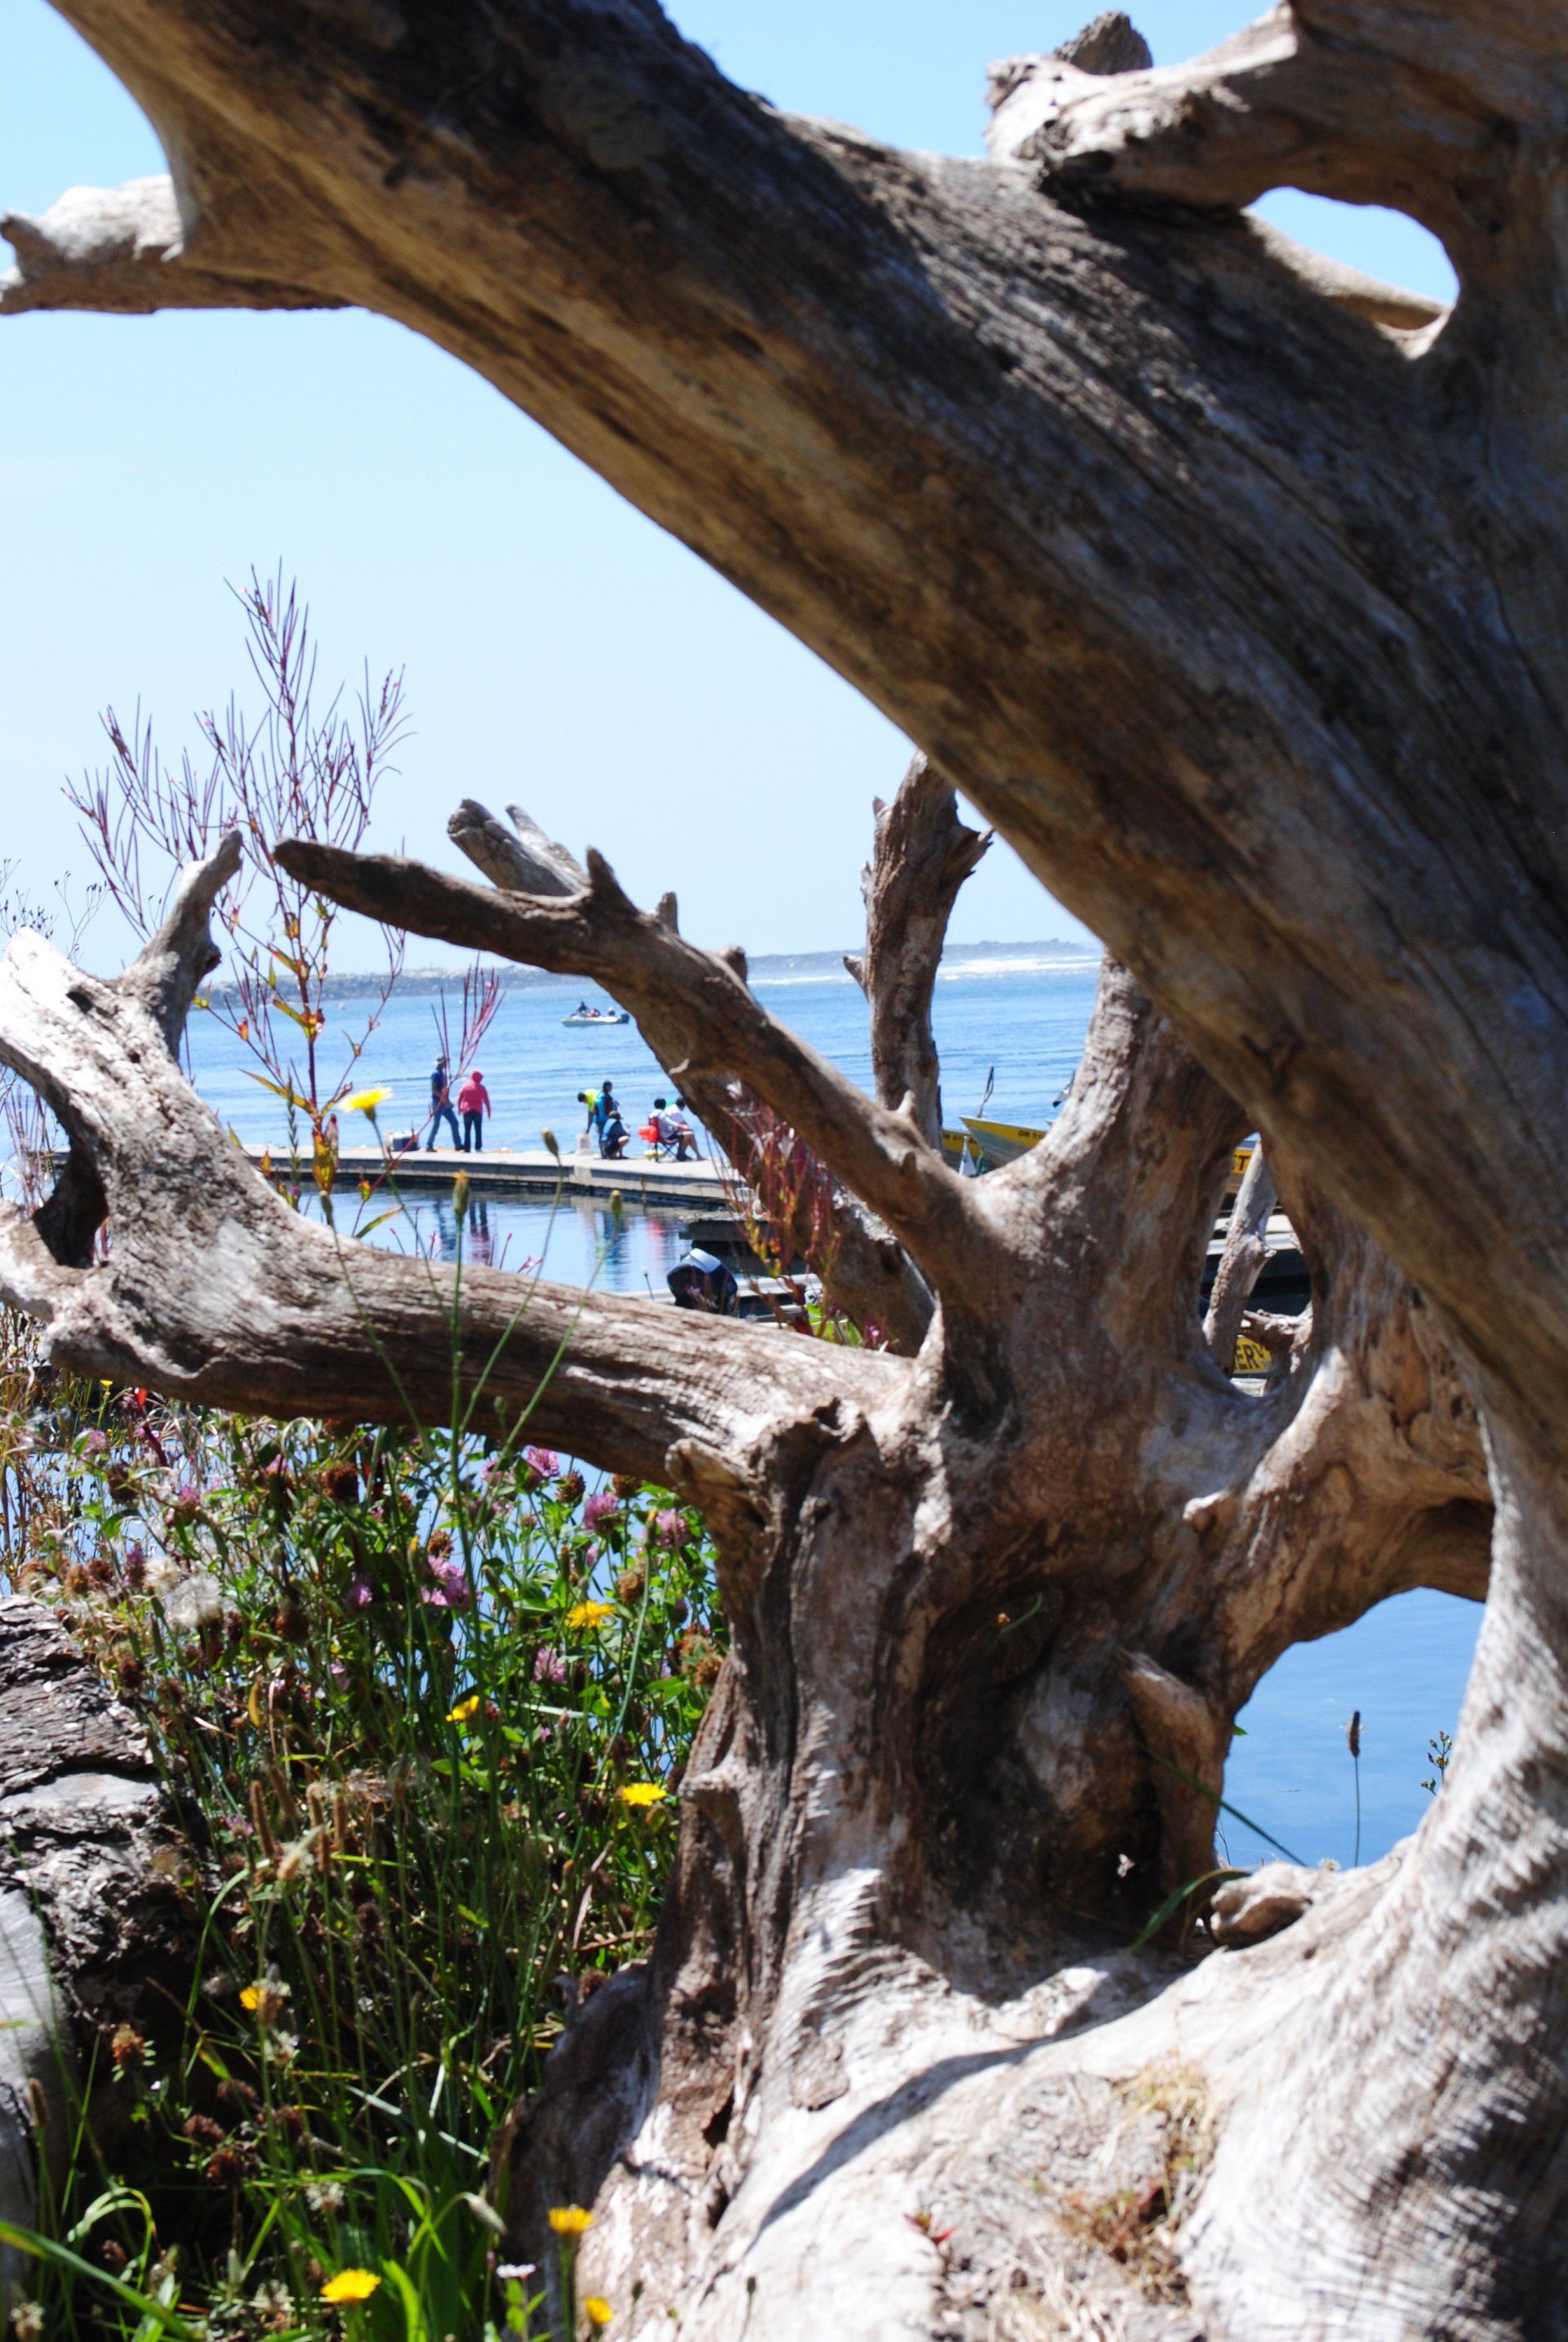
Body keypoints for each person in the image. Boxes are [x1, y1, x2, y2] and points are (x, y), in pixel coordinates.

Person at [457, 1066, 492, 1153]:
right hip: (478, 1111)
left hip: (467, 1110)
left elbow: (460, 1098)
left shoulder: (465, 1086)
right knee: (478, 1130)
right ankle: (478, 1148)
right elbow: (486, 1101)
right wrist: (489, 1112)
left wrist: (459, 1108)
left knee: (467, 1130)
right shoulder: (482, 1088)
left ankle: (467, 1149)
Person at [652, 1096, 697, 1161]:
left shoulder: (653, 1114)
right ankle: (682, 1154)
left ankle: (684, 1154)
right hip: (667, 1136)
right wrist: (681, 1126)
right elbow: (670, 1122)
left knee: (686, 1133)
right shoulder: (661, 1114)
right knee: (690, 1134)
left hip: (659, 1135)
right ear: (664, 1105)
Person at [429, 1057, 461, 1150]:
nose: (446, 1064)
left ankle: (458, 1145)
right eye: (445, 1062)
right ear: (442, 1063)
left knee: (454, 1122)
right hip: (438, 1103)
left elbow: (445, 1090)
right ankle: (429, 1144)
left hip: (444, 1103)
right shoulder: (436, 1074)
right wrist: (441, 1098)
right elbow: (433, 1088)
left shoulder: (443, 1074)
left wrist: (447, 1101)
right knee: (436, 1125)